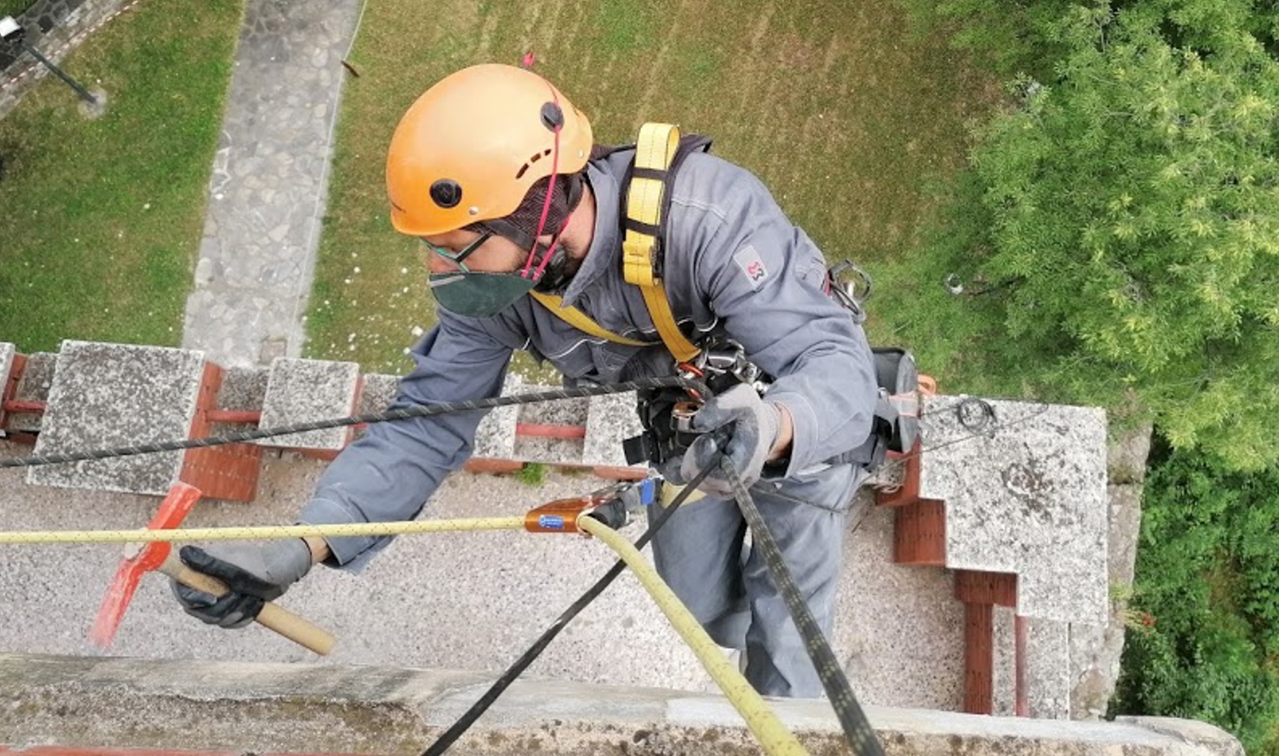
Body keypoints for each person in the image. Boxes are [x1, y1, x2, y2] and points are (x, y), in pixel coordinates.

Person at [173, 63, 883, 697]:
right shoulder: (507, 283)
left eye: (457, 247)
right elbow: (428, 422)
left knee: (790, 638)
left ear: (538, 212)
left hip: (799, 430)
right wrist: (300, 544)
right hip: (692, 432)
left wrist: (776, 427)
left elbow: (835, 366)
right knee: (698, 602)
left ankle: (782, 709)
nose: (438, 270)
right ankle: (749, 625)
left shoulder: (707, 218)